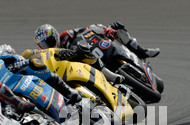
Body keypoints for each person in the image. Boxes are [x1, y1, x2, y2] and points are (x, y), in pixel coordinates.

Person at [31, 23, 160, 84]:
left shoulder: (67, 36)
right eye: (43, 45)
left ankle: (141, 51)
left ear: (54, 35)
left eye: (48, 42)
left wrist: (107, 30)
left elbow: (88, 28)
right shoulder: (53, 56)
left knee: (118, 31)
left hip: (98, 49)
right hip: (90, 69)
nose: (47, 46)